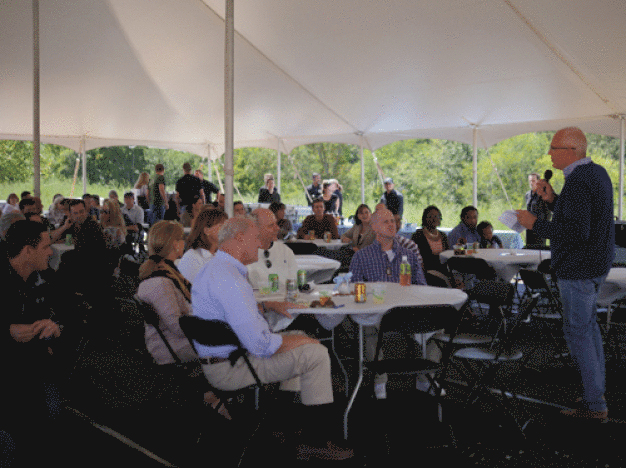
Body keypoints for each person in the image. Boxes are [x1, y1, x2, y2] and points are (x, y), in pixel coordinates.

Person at [192, 217, 353, 460]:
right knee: (316, 352)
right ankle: (314, 440)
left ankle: (282, 422)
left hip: (217, 361)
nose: (261, 243)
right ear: (239, 239)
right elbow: (261, 345)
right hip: (233, 368)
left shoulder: (215, 270)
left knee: (299, 338)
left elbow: (230, 315)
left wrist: (265, 306)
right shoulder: (232, 280)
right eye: (257, 237)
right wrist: (302, 342)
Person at [516, 127, 614, 420]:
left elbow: (575, 232)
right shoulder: (596, 174)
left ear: (571, 151)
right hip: (594, 264)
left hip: (578, 267)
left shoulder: (579, 180)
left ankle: (595, 404)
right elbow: (582, 219)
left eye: (554, 148)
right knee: (589, 330)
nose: (549, 153)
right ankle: (595, 391)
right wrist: (554, 201)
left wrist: (535, 223)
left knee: (579, 333)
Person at [136, 220, 226, 416]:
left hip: (168, 342)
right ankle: (220, 398)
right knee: (235, 345)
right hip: (171, 348)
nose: (184, 243)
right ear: (175, 244)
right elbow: (178, 326)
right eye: (181, 239)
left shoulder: (163, 272)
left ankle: (215, 395)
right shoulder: (161, 280)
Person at [1, 221, 63, 462]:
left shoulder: (46, 278)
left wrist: (56, 327)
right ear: (28, 250)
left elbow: (70, 316)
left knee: (48, 419)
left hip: (37, 370)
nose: (51, 251)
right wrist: (6, 332)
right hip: (9, 376)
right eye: (46, 246)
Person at [350, 208, 426, 285]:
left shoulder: (410, 256)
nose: (391, 225)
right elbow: (355, 291)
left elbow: (421, 288)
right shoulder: (361, 257)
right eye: (385, 222)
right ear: (374, 227)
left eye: (393, 221)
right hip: (374, 297)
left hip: (404, 296)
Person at [247, 208, 298, 289]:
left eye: (276, 224)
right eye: (271, 225)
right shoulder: (243, 254)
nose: (277, 228)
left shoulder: (285, 251)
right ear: (255, 229)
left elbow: (294, 282)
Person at [178, 208, 228, 283]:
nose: (226, 229)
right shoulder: (192, 258)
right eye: (221, 225)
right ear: (207, 230)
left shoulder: (221, 255)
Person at [411, 205, 449, 273]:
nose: (434, 219)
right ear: (425, 218)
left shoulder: (443, 235)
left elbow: (447, 255)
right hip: (427, 272)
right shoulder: (418, 235)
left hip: (443, 270)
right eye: (430, 216)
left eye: (436, 216)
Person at [525, 172, 551, 246]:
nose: (531, 183)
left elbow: (548, 213)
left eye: (533, 181)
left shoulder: (543, 195)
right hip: (529, 229)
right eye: (530, 181)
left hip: (540, 229)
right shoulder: (527, 195)